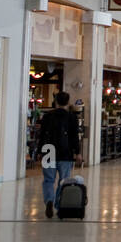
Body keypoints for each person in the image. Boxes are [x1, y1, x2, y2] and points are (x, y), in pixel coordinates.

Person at [37, 90, 80, 219]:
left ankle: (49, 200)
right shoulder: (72, 117)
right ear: (68, 102)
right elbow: (74, 137)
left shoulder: (47, 116)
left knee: (48, 180)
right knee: (63, 180)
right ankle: (58, 204)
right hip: (65, 152)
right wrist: (77, 152)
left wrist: (40, 151)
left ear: (55, 101)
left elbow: (42, 135)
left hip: (48, 151)